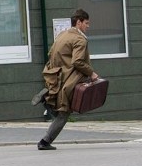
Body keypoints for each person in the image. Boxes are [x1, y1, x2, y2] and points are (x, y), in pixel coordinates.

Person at [32, 9, 100, 150]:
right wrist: (92, 73)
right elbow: (78, 61)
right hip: (70, 80)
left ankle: (47, 101)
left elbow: (51, 54)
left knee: (60, 110)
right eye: (86, 23)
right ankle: (44, 142)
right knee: (64, 112)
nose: (88, 26)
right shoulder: (80, 39)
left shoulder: (63, 35)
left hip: (57, 77)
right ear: (79, 22)